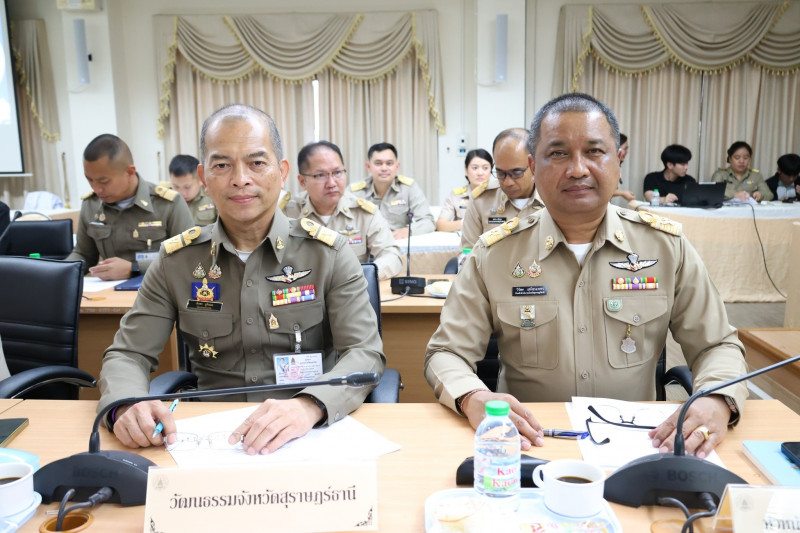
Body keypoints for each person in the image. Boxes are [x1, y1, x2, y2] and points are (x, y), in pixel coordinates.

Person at [425, 93, 747, 459]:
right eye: (558, 153)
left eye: (594, 151)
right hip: (530, 444)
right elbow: (446, 352)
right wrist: (472, 396)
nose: (577, 169)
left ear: (618, 159)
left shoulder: (665, 247)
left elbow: (716, 345)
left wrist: (717, 398)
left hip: (639, 446)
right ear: (533, 165)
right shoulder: (495, 254)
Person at [97, 104, 385, 455]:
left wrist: (309, 405)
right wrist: (126, 405)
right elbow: (128, 354)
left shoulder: (329, 254)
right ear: (203, 178)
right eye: (222, 165)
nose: (240, 179)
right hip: (212, 439)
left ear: (282, 172)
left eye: (256, 163)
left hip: (307, 432)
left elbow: (364, 353)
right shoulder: (177, 262)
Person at [66, 135, 194, 280]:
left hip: (158, 289)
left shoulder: (168, 204)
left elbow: (188, 258)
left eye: (104, 181)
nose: (97, 189)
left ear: (130, 172)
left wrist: (135, 268)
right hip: (107, 292)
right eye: (90, 180)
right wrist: (59, 272)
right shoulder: (91, 205)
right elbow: (83, 254)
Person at [283, 141, 402, 280]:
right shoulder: (287, 214)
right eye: (321, 175)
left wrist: (360, 278)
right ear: (303, 181)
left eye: (337, 173)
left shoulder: (364, 213)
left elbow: (391, 255)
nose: (332, 183)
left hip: (353, 288)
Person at [460, 128, 544, 248]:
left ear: (533, 166)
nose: (507, 182)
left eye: (516, 173)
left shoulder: (552, 199)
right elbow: (468, 251)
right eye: (500, 173)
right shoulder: (482, 200)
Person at [350, 143, 435, 239]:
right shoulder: (355, 192)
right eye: (378, 163)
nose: (384, 168)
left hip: (397, 242)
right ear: (368, 166)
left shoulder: (408, 188)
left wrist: (408, 231)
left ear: (397, 166)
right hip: (365, 243)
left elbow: (428, 221)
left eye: (389, 163)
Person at [436, 149, 493, 232]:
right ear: (466, 171)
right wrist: (467, 223)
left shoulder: (499, 194)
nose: (480, 173)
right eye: (475, 168)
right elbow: (440, 225)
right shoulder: (456, 195)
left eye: (485, 168)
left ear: (491, 171)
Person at [169, 154, 217, 225]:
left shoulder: (214, 197)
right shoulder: (165, 201)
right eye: (176, 187)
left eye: (187, 187)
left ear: (201, 179)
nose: (182, 193)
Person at [611, 133, 635, 203]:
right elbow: (603, 191)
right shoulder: (607, 167)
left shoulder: (615, 166)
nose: (627, 152)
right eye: (625, 149)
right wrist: (622, 193)